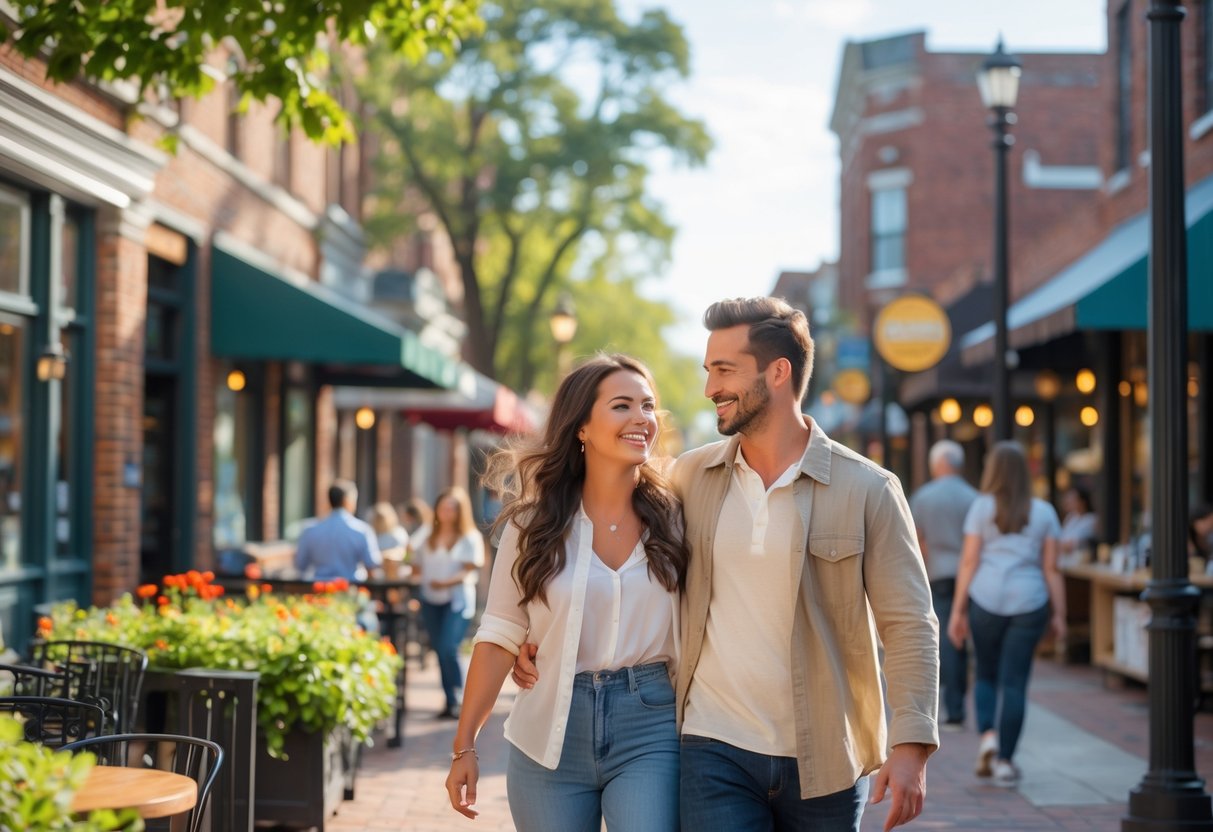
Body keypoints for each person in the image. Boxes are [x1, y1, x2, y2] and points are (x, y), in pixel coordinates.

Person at [516, 297, 938, 832]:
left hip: (828, 754)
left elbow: (909, 624)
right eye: (707, 370)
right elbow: (606, 534)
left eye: (724, 370)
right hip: (713, 748)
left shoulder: (868, 490)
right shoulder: (689, 479)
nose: (710, 388)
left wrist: (912, 745)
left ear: (778, 373)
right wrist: (543, 633)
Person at [445, 355, 688, 830]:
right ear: (581, 427)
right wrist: (465, 745)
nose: (642, 419)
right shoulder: (533, 524)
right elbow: (499, 635)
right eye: (622, 406)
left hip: (651, 724)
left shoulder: (679, 516)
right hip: (551, 725)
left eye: (648, 406)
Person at [947, 441, 1066, 789]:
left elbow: (969, 561)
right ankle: (1005, 762)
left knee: (985, 673)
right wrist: (1060, 614)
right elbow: (1052, 569)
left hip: (985, 599)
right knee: (1015, 681)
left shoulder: (980, 508)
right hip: (1030, 602)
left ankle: (987, 737)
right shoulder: (1045, 512)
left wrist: (958, 610)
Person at [910, 439, 978, 731]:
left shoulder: (924, 497)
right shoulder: (974, 497)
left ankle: (951, 707)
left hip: (936, 573)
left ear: (937, 464)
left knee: (944, 640)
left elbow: (915, 539)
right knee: (962, 639)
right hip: (971, 575)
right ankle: (960, 700)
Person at [417, 486, 486, 720]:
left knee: (448, 647)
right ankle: (449, 700)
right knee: (439, 650)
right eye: (443, 506)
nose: (447, 512)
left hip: (456, 601)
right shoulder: (427, 535)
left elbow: (470, 570)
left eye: (452, 507)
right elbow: (414, 562)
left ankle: (458, 699)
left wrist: (445, 583)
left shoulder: (469, 537)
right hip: (430, 600)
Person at [293, 479, 382, 582]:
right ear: (347, 500)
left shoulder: (310, 530)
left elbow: (300, 565)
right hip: (351, 589)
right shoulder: (362, 530)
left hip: (319, 589)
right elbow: (372, 564)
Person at [369, 502, 410, 578]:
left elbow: (405, 553)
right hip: (378, 573)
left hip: (397, 572)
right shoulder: (371, 534)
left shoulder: (398, 533)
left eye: (382, 519)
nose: (380, 522)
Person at [1057, 485, 1098, 561]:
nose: (1070, 502)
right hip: (1064, 561)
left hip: (1080, 561)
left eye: (1074, 499)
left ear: (1083, 502)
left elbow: (1071, 544)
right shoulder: (1071, 517)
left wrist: (1056, 545)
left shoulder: (1091, 519)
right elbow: (1061, 538)